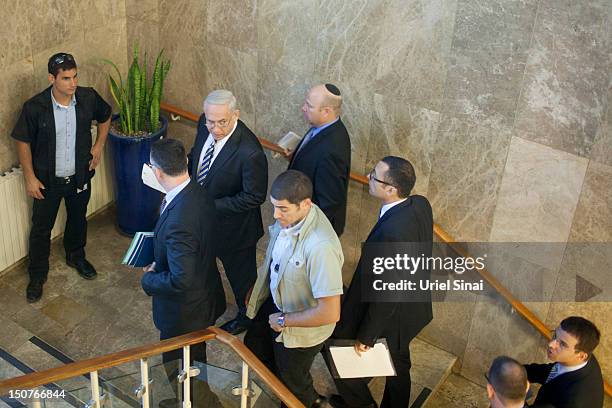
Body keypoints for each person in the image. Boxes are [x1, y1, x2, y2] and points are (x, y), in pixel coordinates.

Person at [327, 157, 433, 408]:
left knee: (340, 353)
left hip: (391, 315)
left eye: (374, 175)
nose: (368, 177)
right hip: (413, 307)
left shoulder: (393, 233)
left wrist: (367, 335)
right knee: (399, 363)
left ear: (391, 189)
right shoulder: (419, 204)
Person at [11, 52, 111, 303]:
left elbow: (106, 115)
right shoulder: (35, 107)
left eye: (75, 76)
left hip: (79, 177)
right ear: (51, 78)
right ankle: (37, 275)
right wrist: (30, 178)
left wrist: (99, 145)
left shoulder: (87, 98)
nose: (73, 83)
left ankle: (76, 256)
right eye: (66, 78)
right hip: (47, 182)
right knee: (41, 229)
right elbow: (22, 142)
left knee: (78, 219)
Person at [244, 170, 344, 407]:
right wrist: (259, 286)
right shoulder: (292, 217)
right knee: (254, 347)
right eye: (274, 206)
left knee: (294, 382)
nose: (275, 215)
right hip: (279, 303)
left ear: (306, 204)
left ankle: (310, 402)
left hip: (300, 329)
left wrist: (284, 320)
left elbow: (330, 312)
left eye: (283, 209)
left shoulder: (321, 247)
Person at [141, 138, 225, 407]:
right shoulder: (197, 191)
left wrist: (149, 279)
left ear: (158, 172)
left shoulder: (179, 223)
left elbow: (181, 280)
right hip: (205, 295)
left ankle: (192, 403)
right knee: (195, 363)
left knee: (180, 367)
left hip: (184, 315)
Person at [188, 89, 268, 335]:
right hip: (204, 225)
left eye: (222, 122)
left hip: (236, 232)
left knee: (242, 280)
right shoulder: (206, 124)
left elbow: (254, 196)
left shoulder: (250, 151)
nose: (215, 128)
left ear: (236, 115)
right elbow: (197, 158)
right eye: (210, 121)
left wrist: (209, 205)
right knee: (205, 267)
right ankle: (213, 306)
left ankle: (247, 318)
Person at [287, 83, 351, 236]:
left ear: (326, 111)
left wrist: (302, 231)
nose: (303, 108)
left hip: (309, 229)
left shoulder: (333, 150)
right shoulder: (323, 126)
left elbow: (328, 202)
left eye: (309, 106)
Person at [524, 316, 603, 408]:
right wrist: (514, 372)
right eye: (555, 336)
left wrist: (514, 399)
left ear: (581, 356)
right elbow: (549, 371)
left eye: (562, 344)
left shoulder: (573, 401)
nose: (551, 344)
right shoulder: (584, 358)